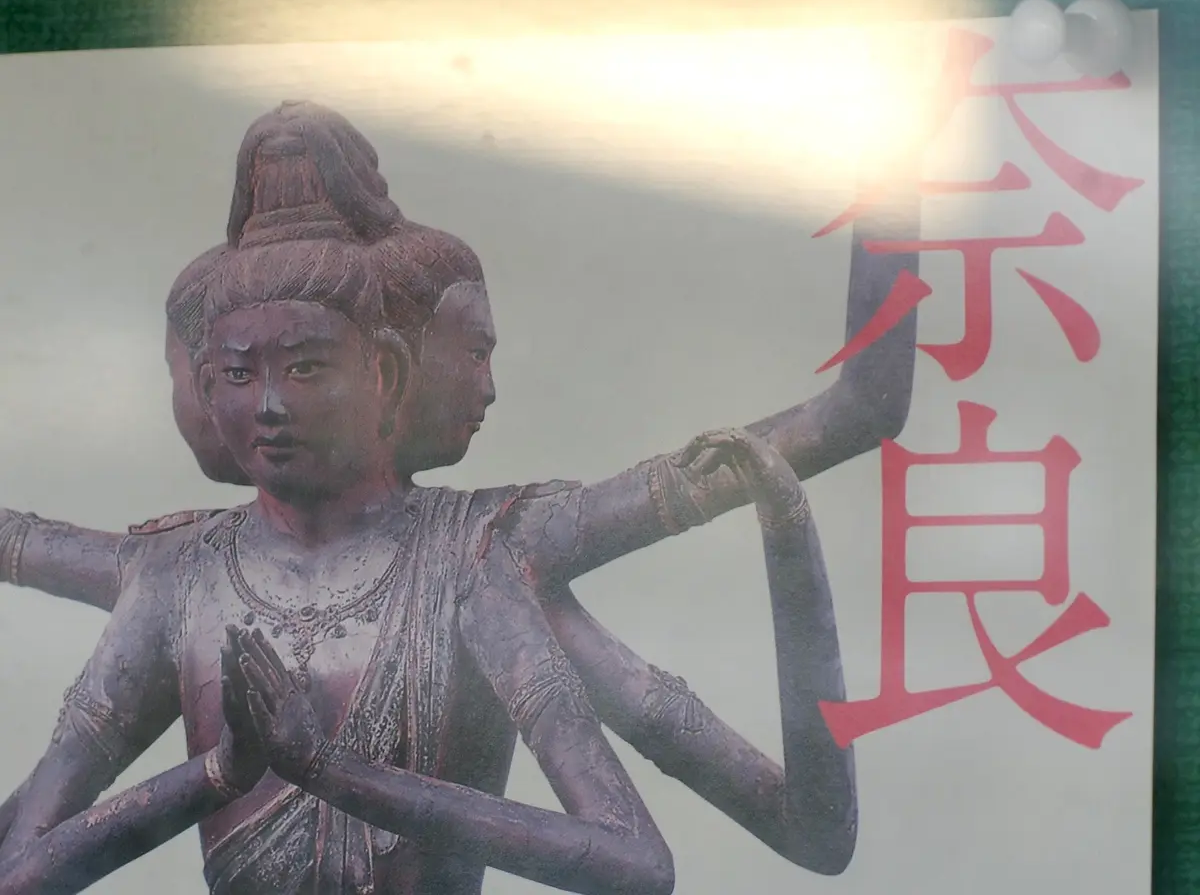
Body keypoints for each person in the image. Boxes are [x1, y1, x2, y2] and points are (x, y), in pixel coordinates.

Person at [0, 102, 920, 893]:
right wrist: (222, 772)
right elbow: (20, 868)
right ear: (205, 386)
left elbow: (754, 841)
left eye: (307, 368)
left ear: (387, 372)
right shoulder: (179, 577)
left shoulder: (478, 560)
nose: (269, 405)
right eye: (239, 375)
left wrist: (785, 532)